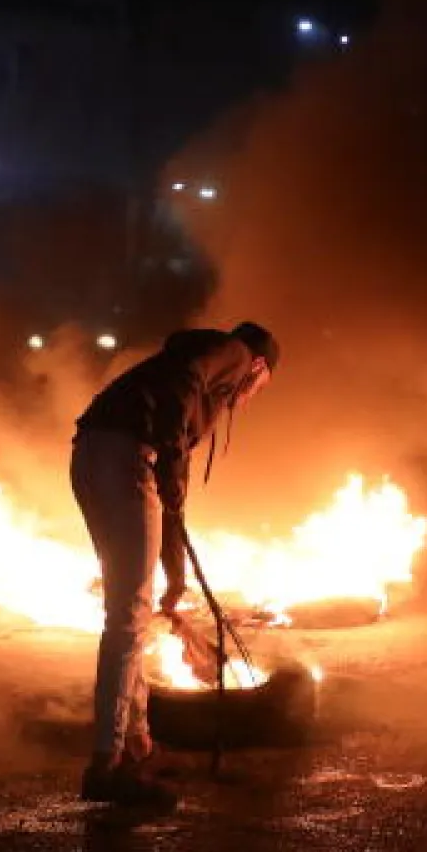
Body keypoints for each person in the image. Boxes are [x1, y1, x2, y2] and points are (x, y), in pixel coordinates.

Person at [71, 322, 280, 807]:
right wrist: (167, 456)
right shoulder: (232, 353)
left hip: (94, 456)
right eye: (263, 384)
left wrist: (175, 580)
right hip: (125, 457)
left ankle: (137, 743)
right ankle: (106, 765)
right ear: (260, 368)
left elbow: (171, 502)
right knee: (126, 618)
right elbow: (184, 382)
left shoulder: (193, 393)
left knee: (133, 610)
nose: (255, 395)